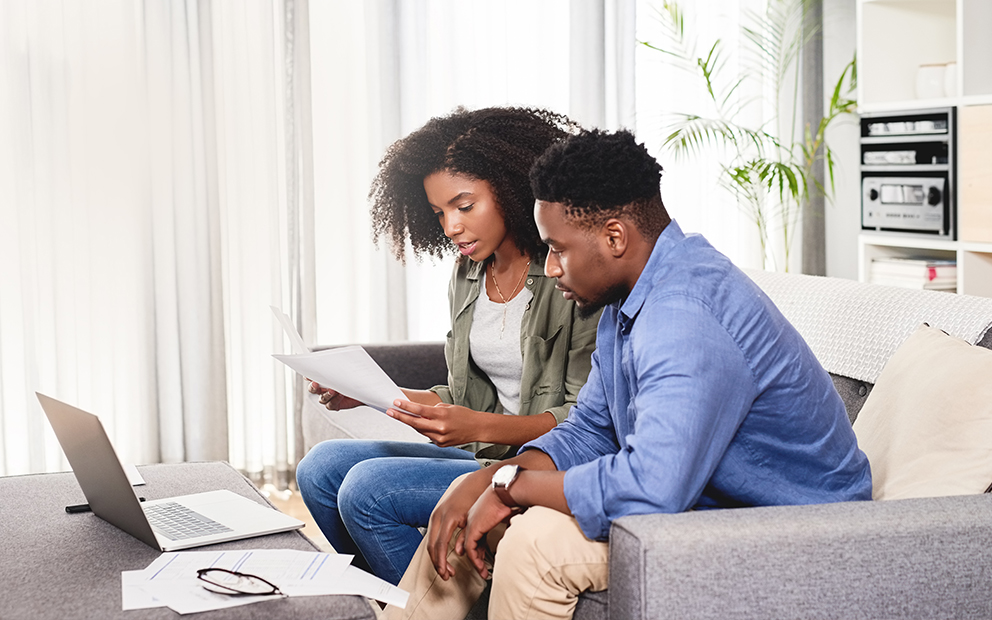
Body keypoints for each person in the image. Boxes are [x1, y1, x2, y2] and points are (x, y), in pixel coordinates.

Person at [383, 129, 873, 620]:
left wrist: (513, 486)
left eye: (558, 248)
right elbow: (591, 430)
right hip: (712, 504)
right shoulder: (629, 299)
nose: (550, 268)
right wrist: (486, 479)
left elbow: (654, 486)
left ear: (615, 237)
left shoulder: (684, 314)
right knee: (477, 511)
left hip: (801, 533)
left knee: (536, 539)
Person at [295, 107, 601, 586]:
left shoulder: (571, 270)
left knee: (367, 490)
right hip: (483, 452)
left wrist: (477, 425)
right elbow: (466, 395)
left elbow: (586, 422)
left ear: (510, 187)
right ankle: (383, 602)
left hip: (536, 462)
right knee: (320, 468)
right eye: (439, 213)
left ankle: (430, 607)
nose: (451, 227)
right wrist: (378, 394)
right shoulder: (469, 271)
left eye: (464, 206)